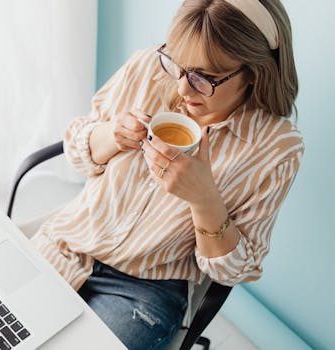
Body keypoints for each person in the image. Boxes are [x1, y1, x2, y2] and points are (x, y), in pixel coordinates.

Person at [31, 0, 304, 349]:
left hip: (144, 292)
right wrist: (111, 135)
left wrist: (204, 198)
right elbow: (77, 153)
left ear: (255, 72)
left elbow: (232, 271)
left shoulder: (277, 148)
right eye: (178, 65)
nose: (182, 89)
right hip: (67, 243)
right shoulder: (148, 67)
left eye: (204, 77)